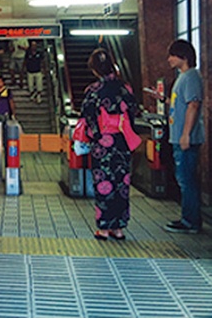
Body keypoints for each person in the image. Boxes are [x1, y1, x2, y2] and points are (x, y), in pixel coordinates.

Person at [81, 48, 138, 241]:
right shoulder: (125, 88)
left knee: (104, 183)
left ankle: (104, 228)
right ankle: (119, 228)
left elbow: (88, 116)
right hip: (122, 142)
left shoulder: (93, 91)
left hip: (103, 144)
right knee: (122, 183)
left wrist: (95, 135)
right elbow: (132, 112)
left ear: (95, 70)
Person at [149, 40, 204, 234]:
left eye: (172, 55)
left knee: (186, 179)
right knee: (184, 178)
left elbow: (193, 105)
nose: (169, 59)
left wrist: (186, 135)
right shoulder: (183, 78)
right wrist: (163, 99)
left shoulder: (191, 77)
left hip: (185, 138)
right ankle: (188, 218)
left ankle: (191, 221)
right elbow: (181, 104)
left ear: (184, 56)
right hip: (178, 136)